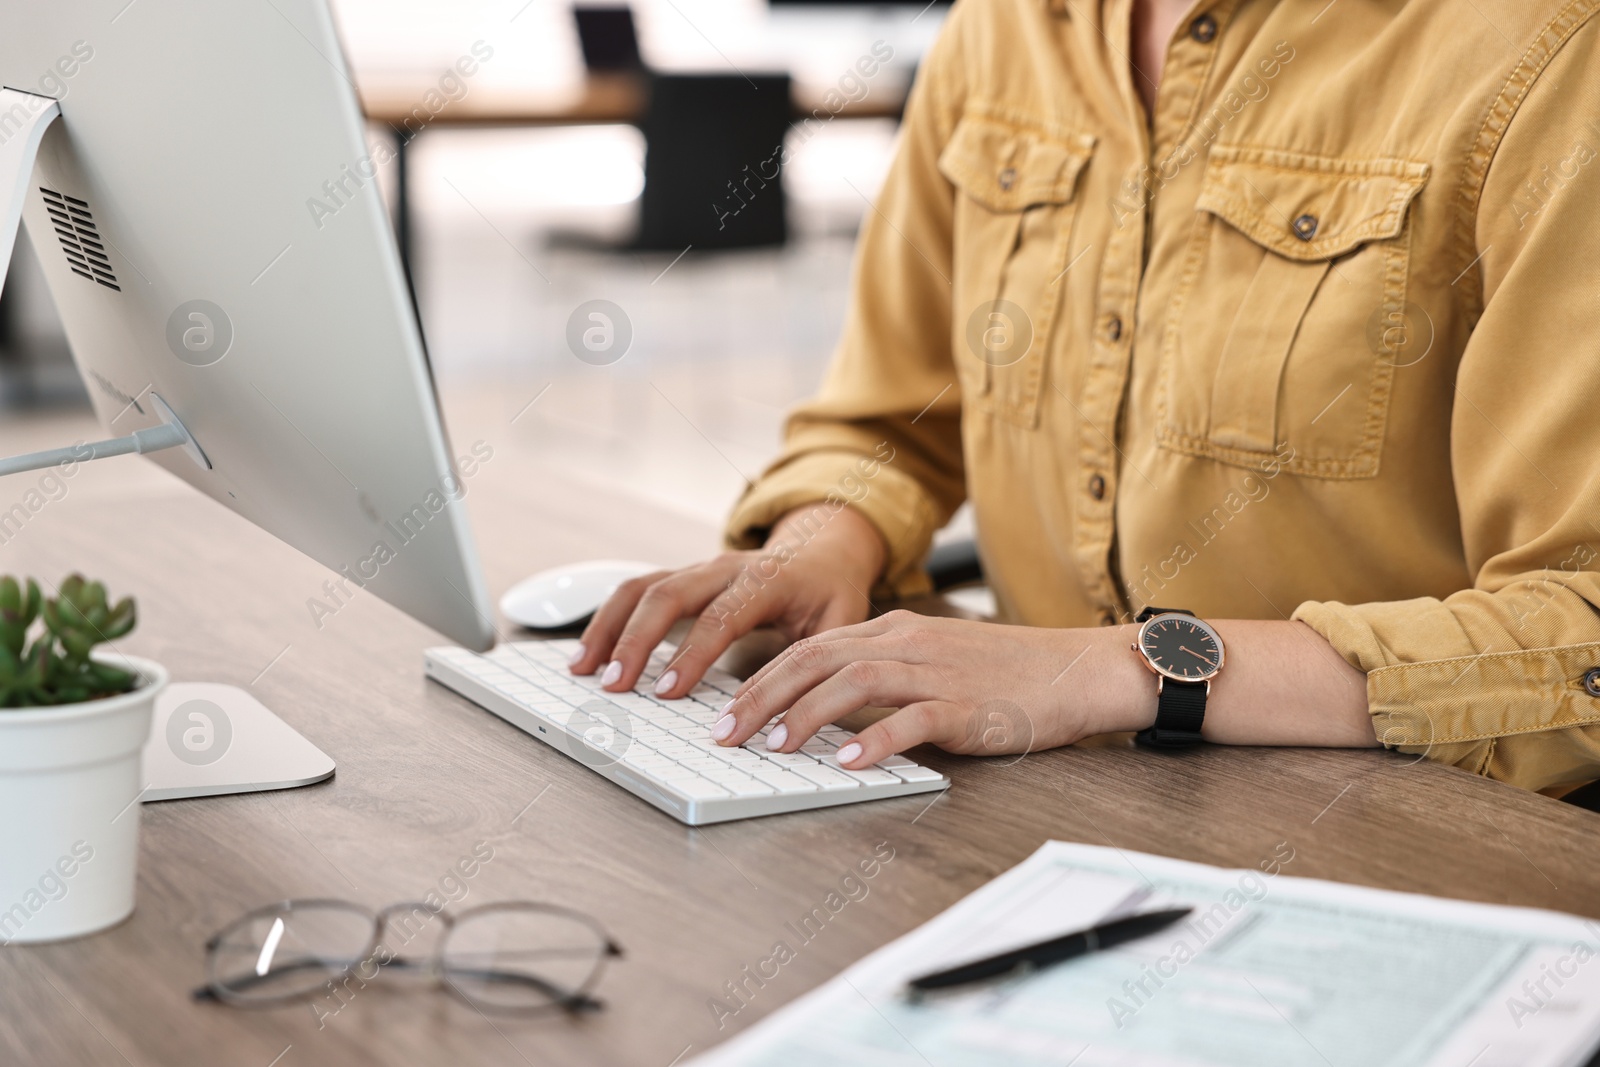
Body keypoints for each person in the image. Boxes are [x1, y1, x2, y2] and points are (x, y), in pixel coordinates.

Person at [570, 0, 1600, 796]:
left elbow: (1583, 628)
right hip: (1035, 801)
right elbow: (888, 418)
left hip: (1393, 831)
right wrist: (823, 537)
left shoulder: (1546, 50)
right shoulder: (1000, 27)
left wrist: (1120, 671)